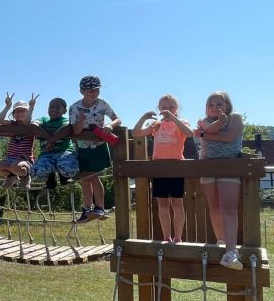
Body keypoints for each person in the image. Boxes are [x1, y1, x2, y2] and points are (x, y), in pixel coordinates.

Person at [132, 94, 193, 243]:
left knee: (178, 204)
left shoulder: (182, 122)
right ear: (159, 109)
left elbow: (190, 133)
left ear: (177, 108)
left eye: (171, 107)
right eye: (164, 107)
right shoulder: (156, 125)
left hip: (176, 167)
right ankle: (167, 236)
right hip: (159, 168)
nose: (167, 110)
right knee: (163, 204)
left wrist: (173, 118)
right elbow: (136, 133)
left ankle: (178, 237)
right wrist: (144, 117)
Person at [194, 91, 244, 270]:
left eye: (219, 104)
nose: (214, 107)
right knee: (214, 206)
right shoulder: (203, 120)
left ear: (227, 105)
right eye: (211, 105)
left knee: (228, 207)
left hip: (229, 165)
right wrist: (215, 125)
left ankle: (231, 252)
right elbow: (209, 129)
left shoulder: (235, 117)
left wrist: (204, 135)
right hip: (207, 165)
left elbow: (230, 137)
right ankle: (221, 241)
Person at [69, 76, 122, 223]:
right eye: (90, 90)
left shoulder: (102, 104)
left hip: (98, 146)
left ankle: (99, 207)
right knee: (84, 178)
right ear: (82, 91)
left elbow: (118, 119)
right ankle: (86, 209)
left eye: (96, 89)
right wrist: (80, 120)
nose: (94, 93)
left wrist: (110, 125)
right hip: (82, 146)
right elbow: (76, 132)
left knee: (93, 176)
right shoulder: (74, 107)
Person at [0, 95, 38, 190]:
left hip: (24, 160)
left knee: (16, 166)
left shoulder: (30, 125)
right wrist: (7, 106)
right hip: (10, 159)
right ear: (13, 114)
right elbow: (0, 120)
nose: (19, 113)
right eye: (16, 111)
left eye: (23, 111)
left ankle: (26, 176)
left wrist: (31, 107)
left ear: (27, 113)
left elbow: (27, 121)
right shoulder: (12, 124)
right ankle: (12, 176)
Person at [32, 97, 79, 189]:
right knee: (38, 171)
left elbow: (67, 127)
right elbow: (33, 125)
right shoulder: (44, 120)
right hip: (47, 154)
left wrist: (51, 140)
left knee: (69, 169)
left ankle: (64, 176)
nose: (54, 109)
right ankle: (50, 175)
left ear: (64, 111)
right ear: (48, 109)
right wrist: (49, 138)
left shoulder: (64, 120)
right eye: (51, 107)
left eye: (57, 108)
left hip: (64, 152)